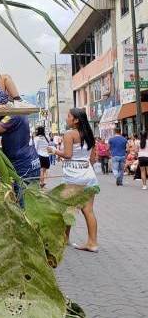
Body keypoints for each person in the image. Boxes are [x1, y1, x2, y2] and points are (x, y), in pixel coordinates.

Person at [47, 108, 99, 253]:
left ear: (75, 120)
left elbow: (68, 154)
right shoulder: (89, 134)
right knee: (88, 210)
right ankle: (92, 243)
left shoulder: (69, 134)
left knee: (68, 209)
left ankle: (65, 239)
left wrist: (54, 151)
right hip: (89, 175)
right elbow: (93, 159)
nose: (66, 118)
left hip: (73, 177)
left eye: (69, 116)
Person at [0, 91, 40, 201]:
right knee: (26, 199)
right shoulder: (10, 113)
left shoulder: (13, 116)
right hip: (27, 161)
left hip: (24, 164)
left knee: (25, 202)